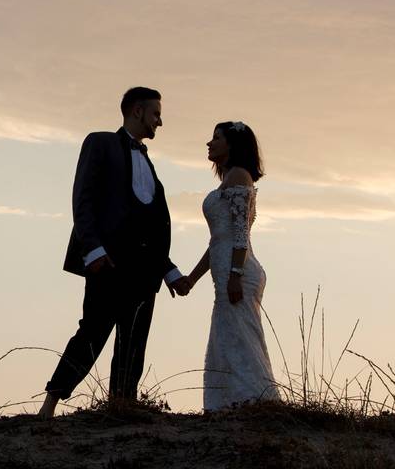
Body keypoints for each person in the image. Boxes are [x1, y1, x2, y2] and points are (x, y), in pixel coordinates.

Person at [38, 87, 190, 418]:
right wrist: (92, 249)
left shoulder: (148, 162)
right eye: (156, 114)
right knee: (91, 333)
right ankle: (49, 405)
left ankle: (121, 407)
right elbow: (83, 198)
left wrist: (170, 272)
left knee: (133, 342)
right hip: (107, 263)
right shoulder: (100, 142)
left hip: (145, 270)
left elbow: (147, 225)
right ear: (137, 111)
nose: (159, 122)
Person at [184, 121, 281, 410]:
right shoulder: (229, 179)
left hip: (237, 272)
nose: (209, 143)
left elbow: (240, 233)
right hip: (226, 270)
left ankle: (255, 403)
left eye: (216, 138)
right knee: (226, 337)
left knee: (241, 338)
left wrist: (235, 274)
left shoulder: (239, 176)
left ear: (232, 145)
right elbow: (217, 241)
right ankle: (229, 404)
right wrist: (192, 277)